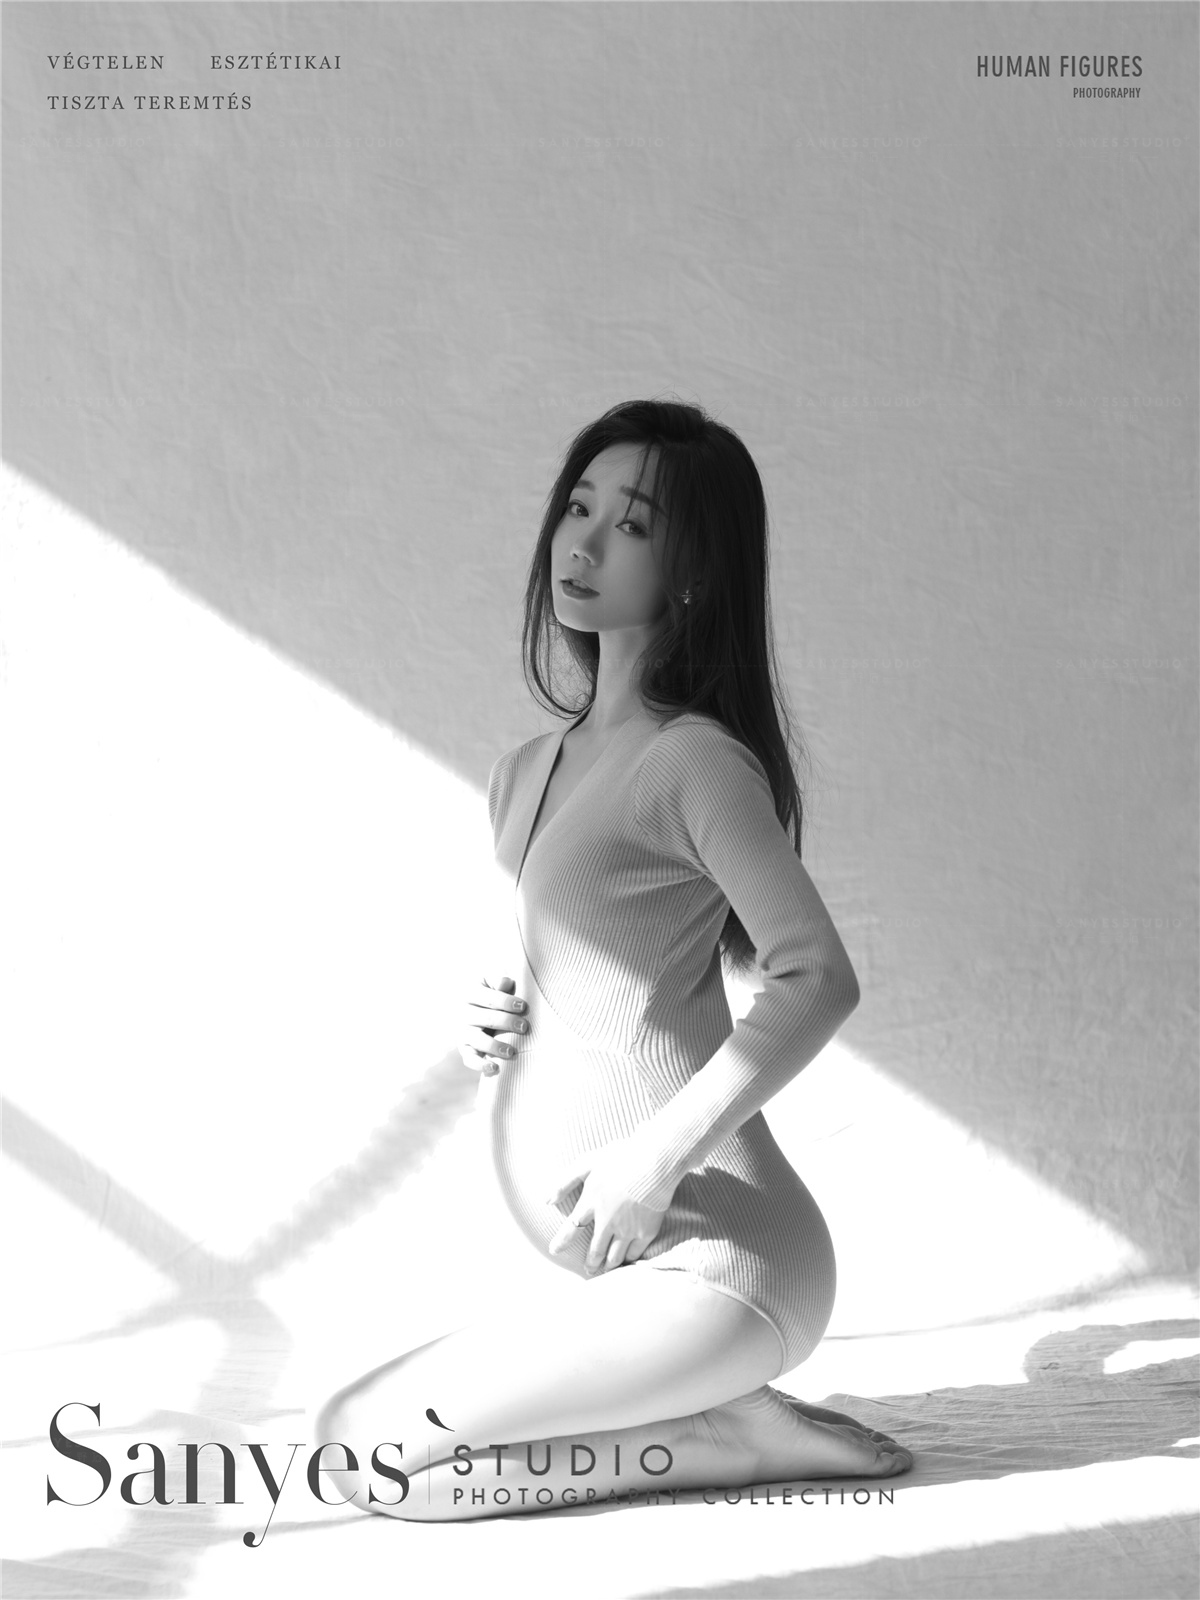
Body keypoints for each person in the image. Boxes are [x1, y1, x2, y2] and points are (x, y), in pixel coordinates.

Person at [315, 399, 912, 1521]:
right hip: (623, 1275)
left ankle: (724, 1441)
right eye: (576, 508)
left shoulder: (696, 763)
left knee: (381, 1471)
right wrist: (481, 1014)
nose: (582, 544)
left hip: (722, 1264)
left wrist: (652, 1161)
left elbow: (817, 976)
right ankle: (725, 1418)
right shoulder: (523, 770)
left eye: (631, 524)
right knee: (345, 1434)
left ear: (695, 572)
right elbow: (563, 963)